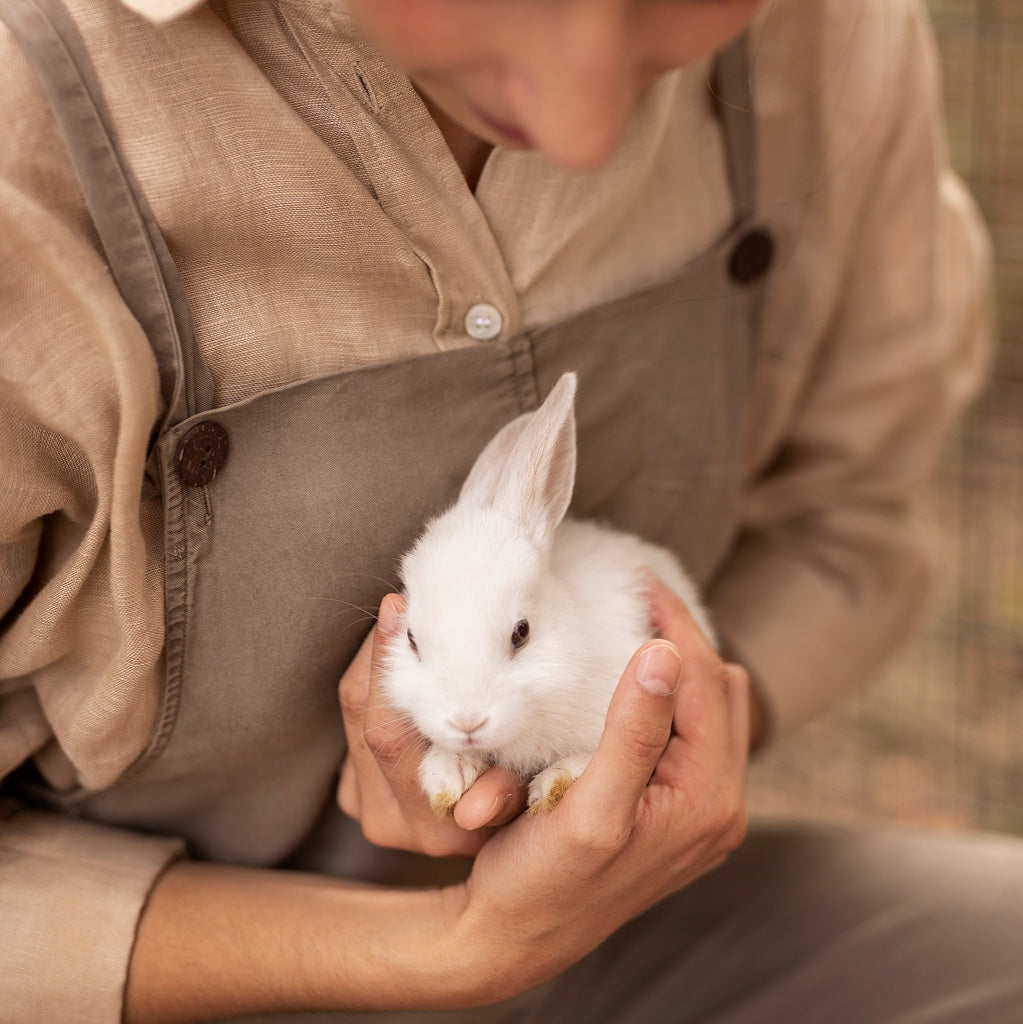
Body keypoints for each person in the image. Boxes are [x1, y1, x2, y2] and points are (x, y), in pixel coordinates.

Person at [1, 0, 1021, 1021]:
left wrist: (652, 755)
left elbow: (851, 514)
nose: (586, 132)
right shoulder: (26, 109)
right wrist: (448, 947)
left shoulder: (825, 30)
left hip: (607, 930)